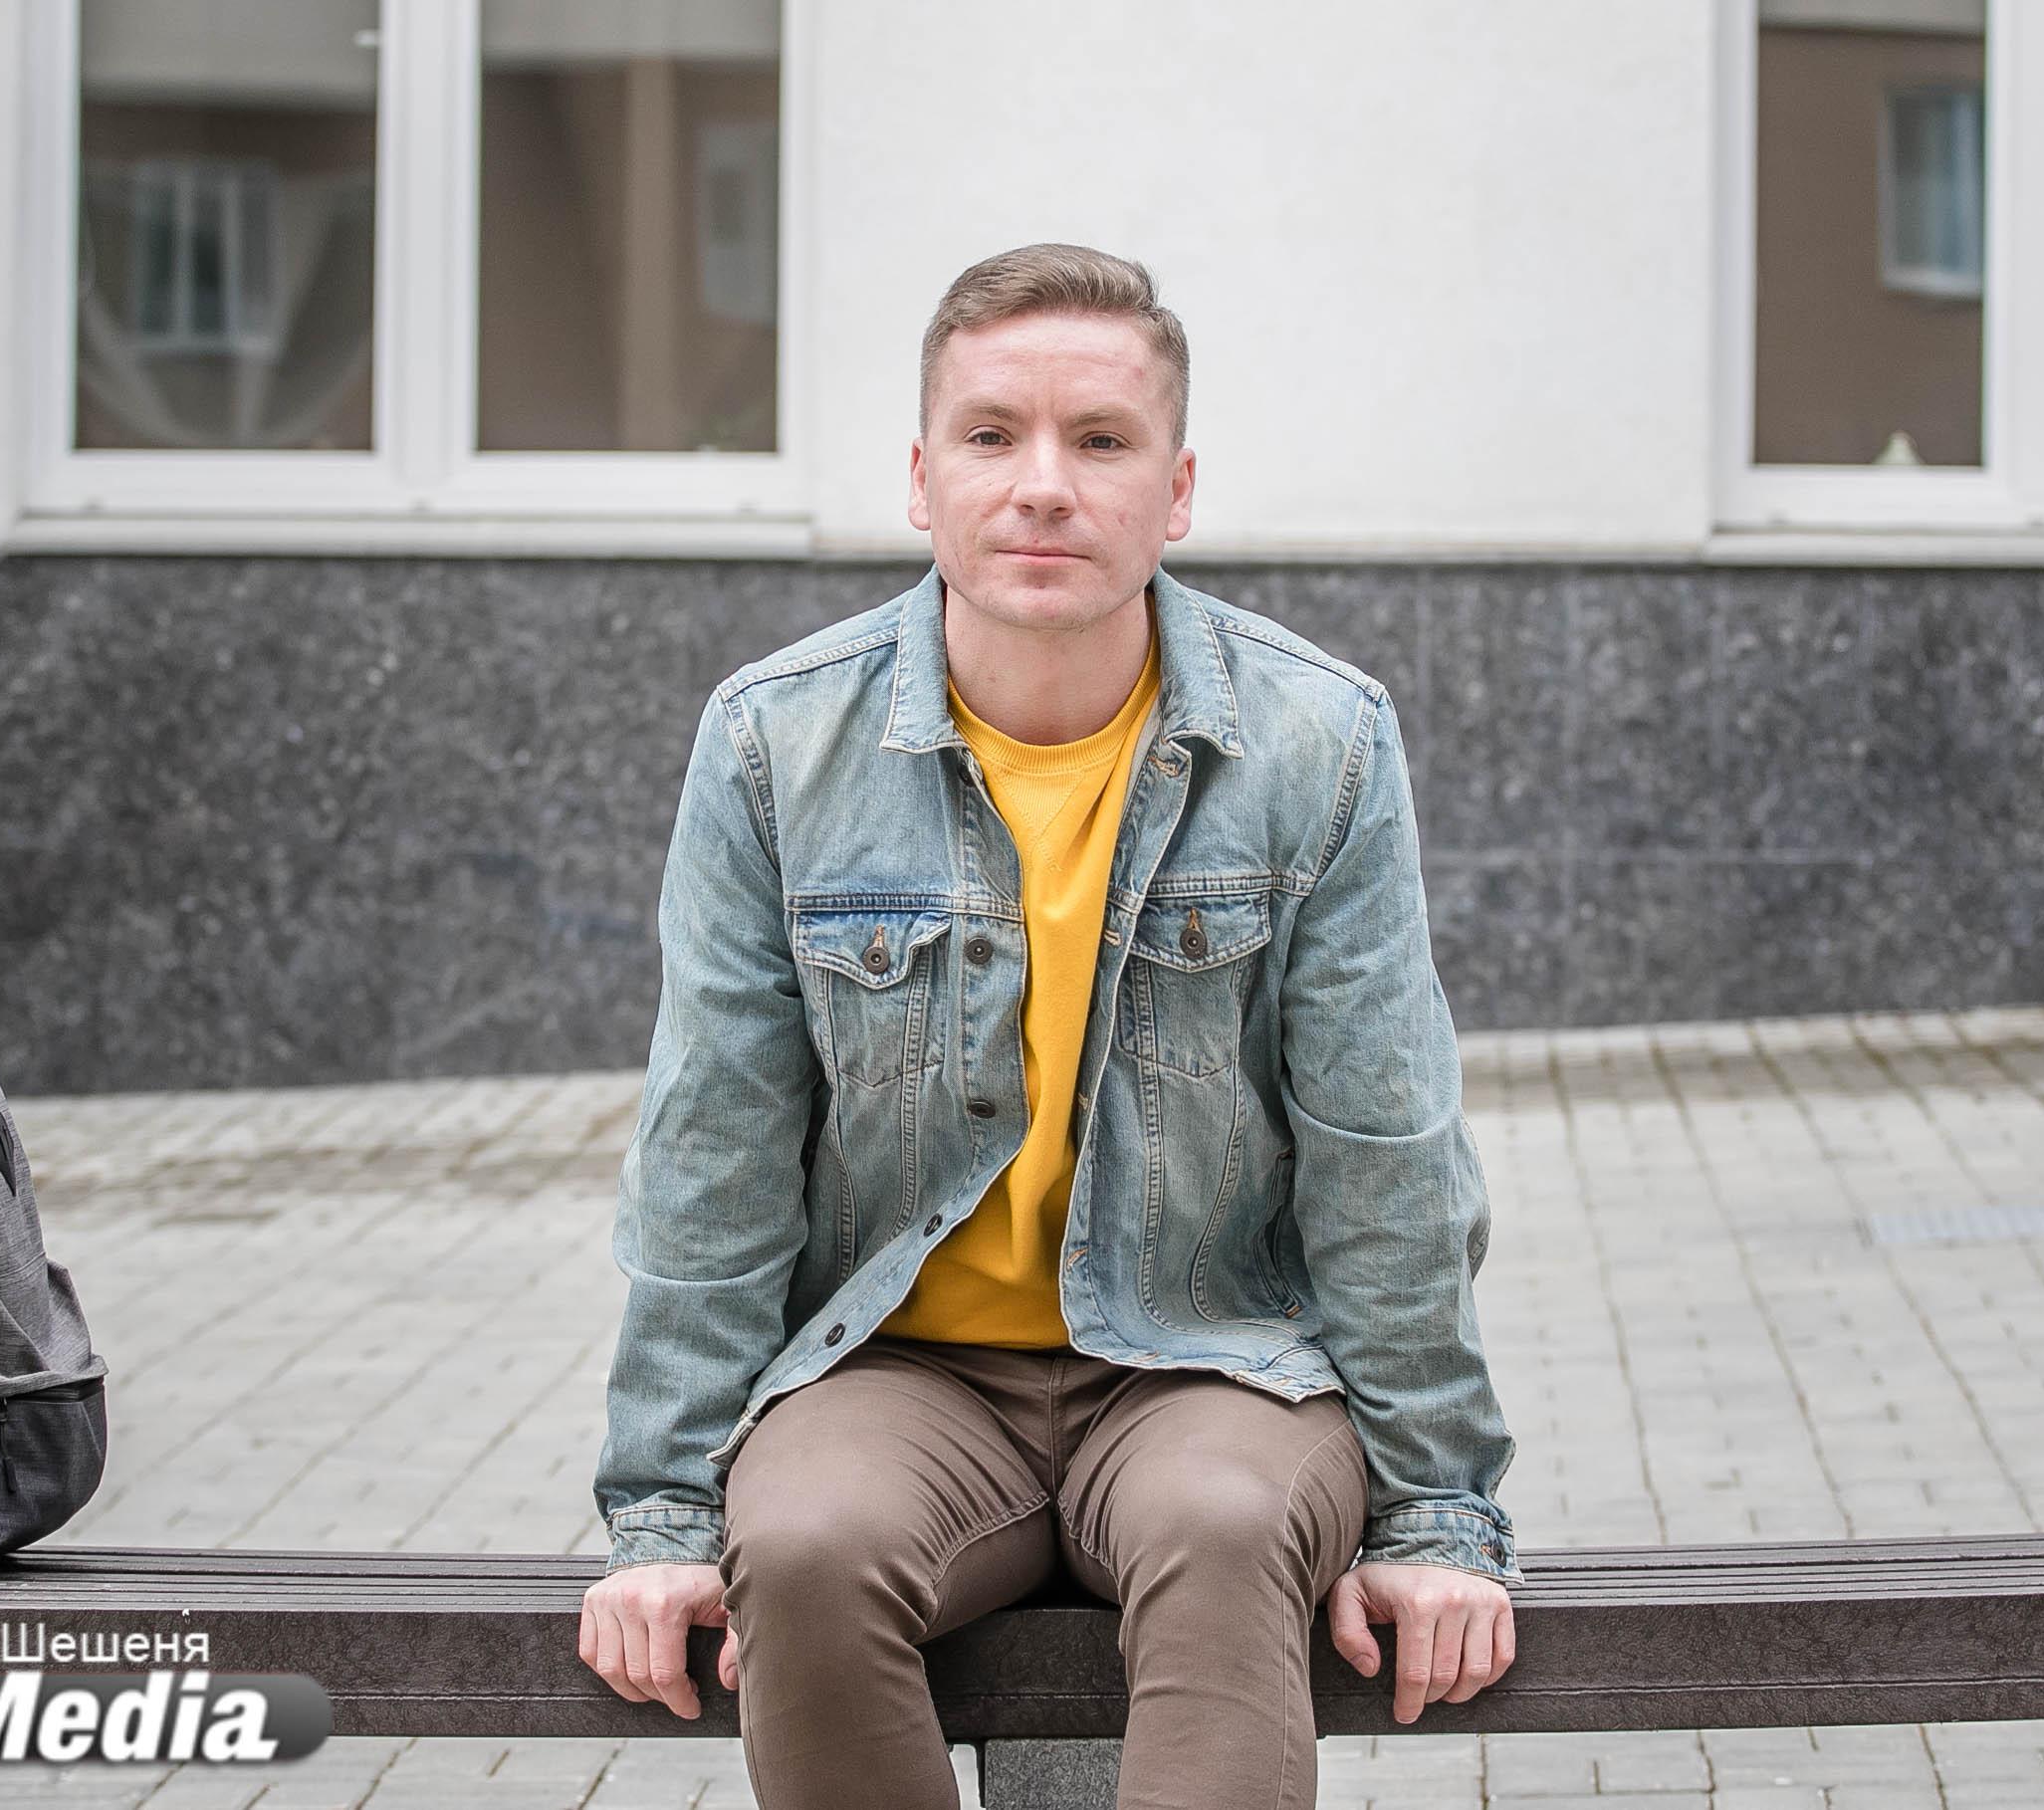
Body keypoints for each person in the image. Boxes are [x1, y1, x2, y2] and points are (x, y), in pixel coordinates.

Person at [576, 242, 1520, 1810]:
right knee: (799, 1545)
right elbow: (712, 1144)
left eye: (1100, 440)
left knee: (1225, 1528)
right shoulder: (775, 743)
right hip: (898, 1367)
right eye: (991, 434)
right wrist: (665, 1519)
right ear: (921, 478)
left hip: (1212, 1361)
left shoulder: (1318, 741)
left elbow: (1386, 1151)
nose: (1042, 486)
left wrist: (1435, 1517)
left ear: (1177, 489)